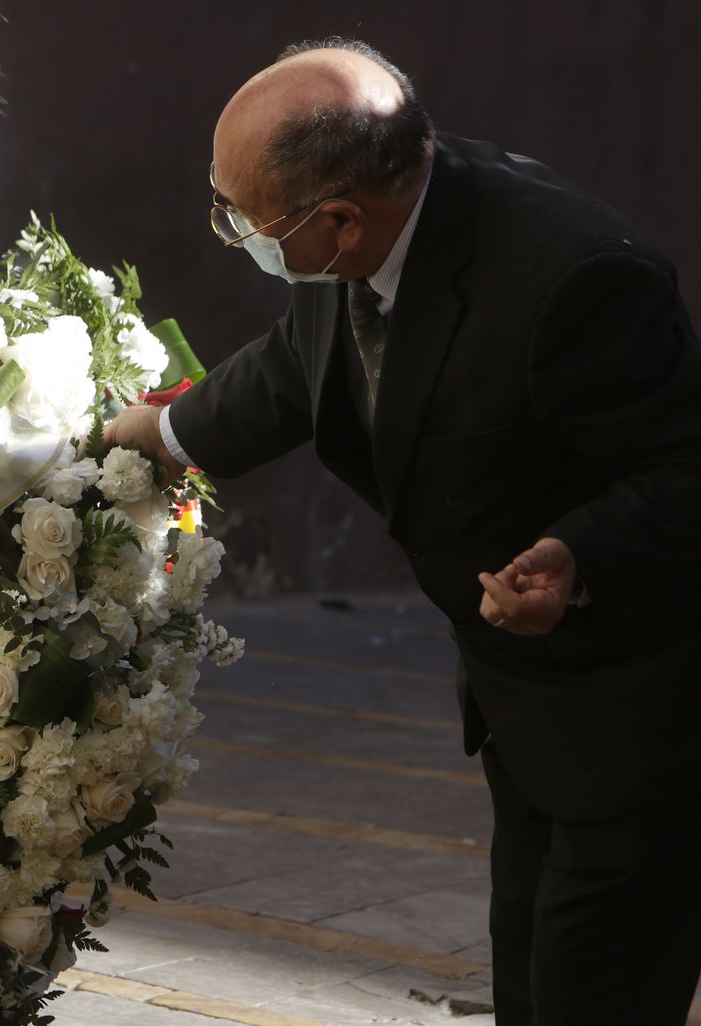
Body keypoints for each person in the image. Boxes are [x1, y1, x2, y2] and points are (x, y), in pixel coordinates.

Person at [104, 38, 701, 1026]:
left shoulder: (576, 275)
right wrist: (152, 433)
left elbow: (689, 467)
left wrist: (580, 554)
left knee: (596, 993)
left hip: (640, 717)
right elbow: (300, 365)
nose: (230, 235)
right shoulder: (382, 222)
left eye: (241, 220)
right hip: (525, 709)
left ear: (338, 221)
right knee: (532, 982)